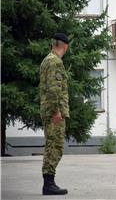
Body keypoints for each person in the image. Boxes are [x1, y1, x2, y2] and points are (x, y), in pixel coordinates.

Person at [40, 33, 70, 195]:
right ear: (65, 46)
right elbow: (53, 89)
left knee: (51, 145)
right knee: (55, 146)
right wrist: (56, 111)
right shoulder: (55, 62)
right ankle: (48, 184)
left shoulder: (46, 60)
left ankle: (49, 183)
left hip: (48, 109)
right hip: (54, 112)